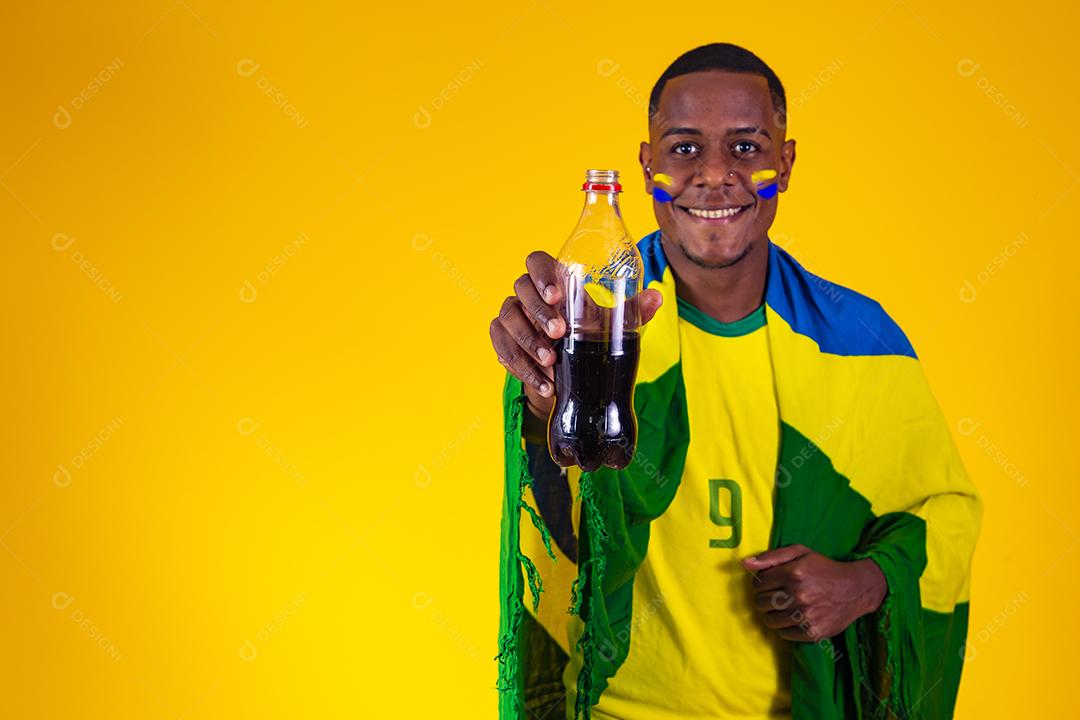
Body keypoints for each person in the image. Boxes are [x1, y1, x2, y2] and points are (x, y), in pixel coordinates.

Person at [489, 42, 981, 720]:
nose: (715, 175)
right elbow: (558, 515)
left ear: (786, 161)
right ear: (647, 165)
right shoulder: (598, 324)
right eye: (684, 149)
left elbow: (947, 514)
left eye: (747, 148)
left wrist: (865, 584)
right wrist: (545, 393)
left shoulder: (860, 340)